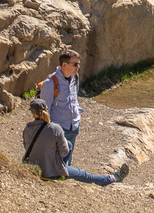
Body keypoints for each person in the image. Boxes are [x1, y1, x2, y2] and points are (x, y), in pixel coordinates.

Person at [37, 51, 125, 185]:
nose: (78, 67)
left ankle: (64, 180)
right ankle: (107, 180)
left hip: (73, 127)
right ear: (64, 65)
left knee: (67, 161)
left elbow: (74, 99)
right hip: (59, 130)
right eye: (75, 64)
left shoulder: (74, 77)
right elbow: (44, 111)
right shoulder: (50, 83)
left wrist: (78, 115)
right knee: (61, 165)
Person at [22, 99, 126, 185]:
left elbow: (27, 148)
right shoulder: (55, 128)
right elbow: (64, 152)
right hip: (50, 173)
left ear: (33, 113)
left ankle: (64, 168)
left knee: (69, 144)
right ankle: (111, 179)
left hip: (34, 167)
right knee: (83, 174)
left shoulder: (27, 128)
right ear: (46, 110)